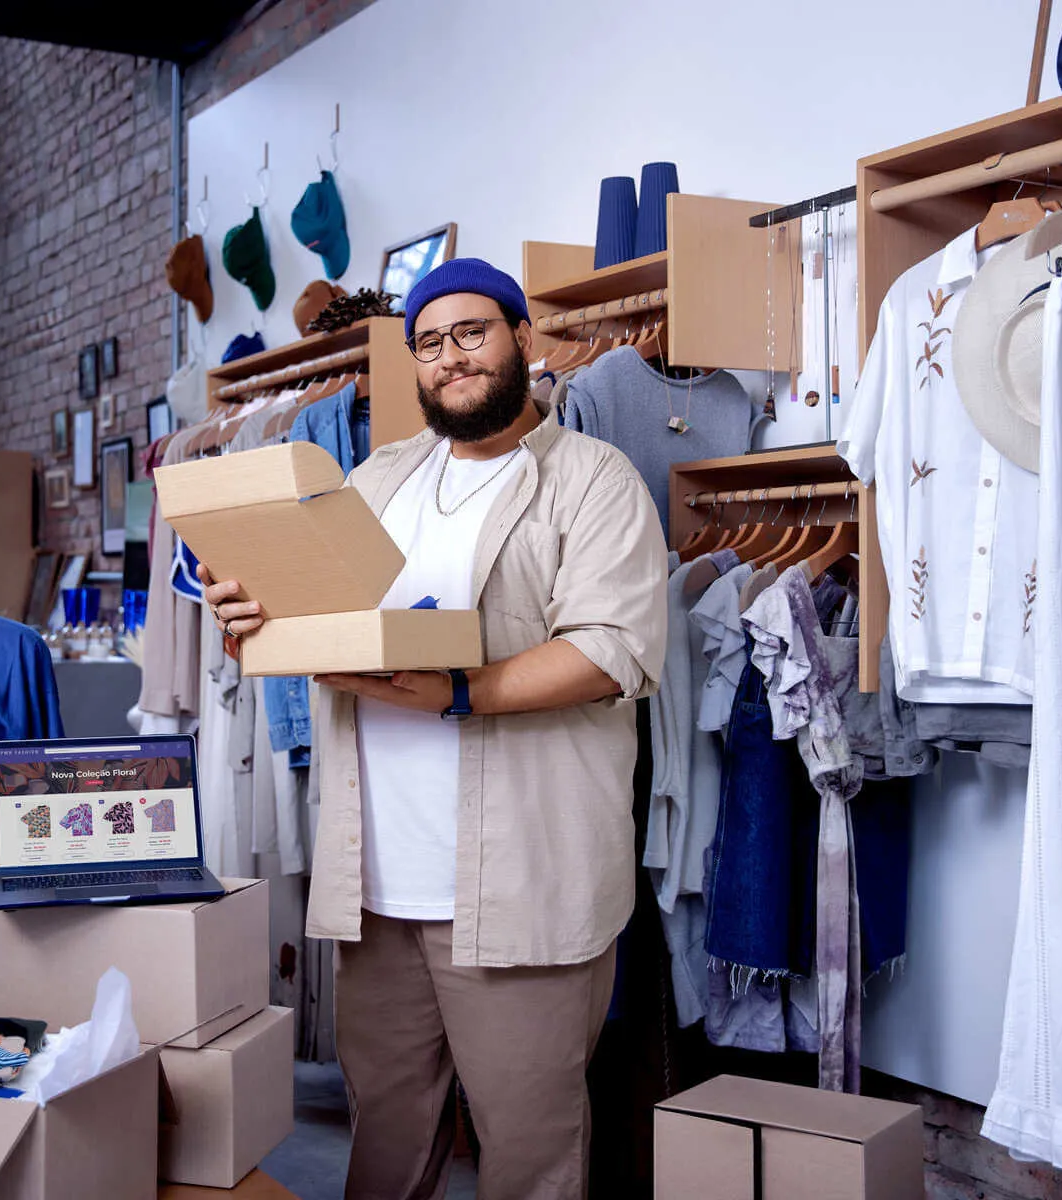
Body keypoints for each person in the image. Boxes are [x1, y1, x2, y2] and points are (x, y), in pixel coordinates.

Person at [201, 258, 667, 1200]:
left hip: (520, 888)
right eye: (427, 342)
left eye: (471, 333)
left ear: (521, 342)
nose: (449, 358)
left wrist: (461, 691)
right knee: (385, 1144)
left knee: (529, 1154)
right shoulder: (375, 480)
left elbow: (614, 650)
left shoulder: (592, 478)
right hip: (375, 887)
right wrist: (252, 615)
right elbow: (321, 622)